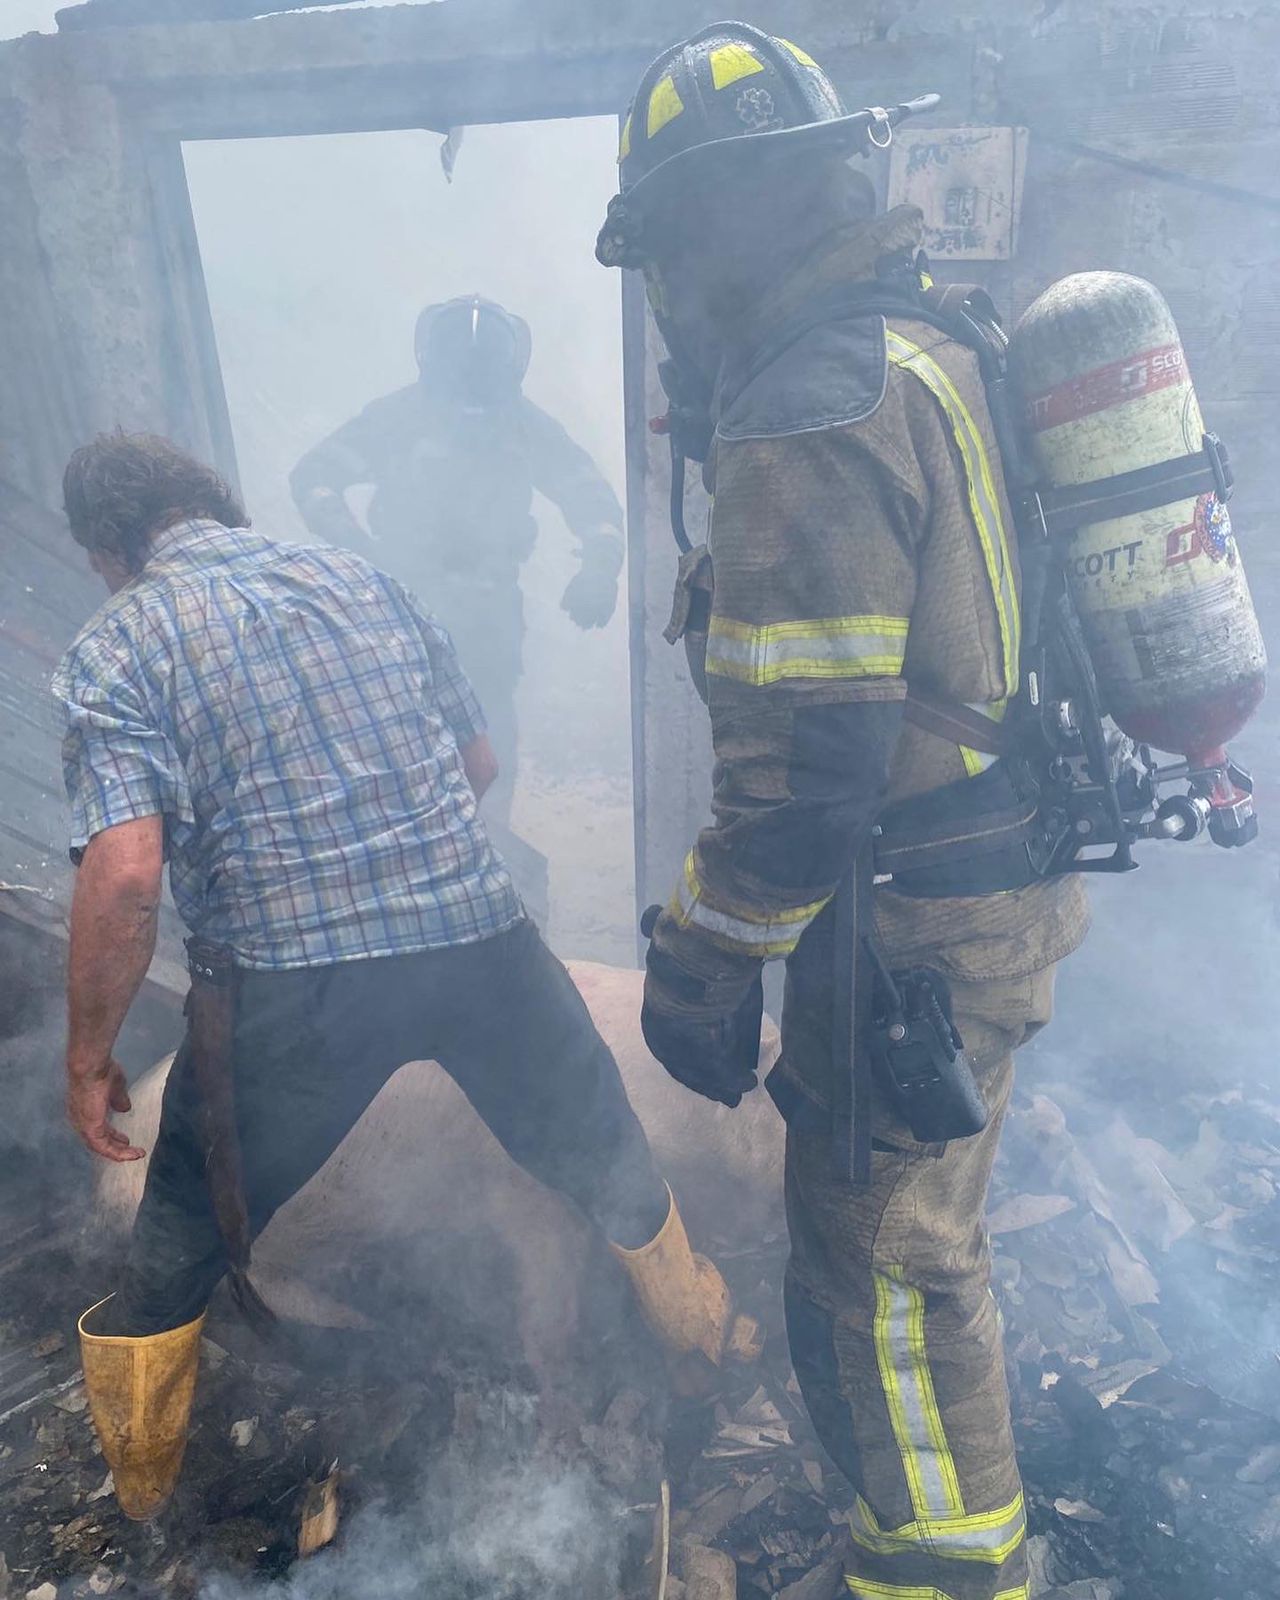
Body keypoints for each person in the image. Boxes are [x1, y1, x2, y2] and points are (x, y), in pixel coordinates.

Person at [598, 24, 1090, 1600]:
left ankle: (942, 1577)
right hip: (979, 881)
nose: (668, 294)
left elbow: (807, 764)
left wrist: (703, 957)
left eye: (669, 250)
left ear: (719, 225)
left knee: (886, 1267)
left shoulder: (811, 403)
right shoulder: (930, 340)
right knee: (916, 1239)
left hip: (914, 923)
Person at [53, 432, 756, 1523]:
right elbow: (476, 764)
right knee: (612, 1163)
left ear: (108, 549)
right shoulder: (360, 579)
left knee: (176, 1240)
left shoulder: (117, 643)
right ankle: (702, 1340)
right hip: (482, 948)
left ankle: (141, 1498)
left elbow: (128, 871)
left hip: (292, 992)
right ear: (220, 504)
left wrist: (89, 1054)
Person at [290, 294, 624, 823]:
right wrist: (361, 555)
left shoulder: (519, 424)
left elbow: (592, 499)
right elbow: (314, 477)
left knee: (488, 738)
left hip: (483, 618)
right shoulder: (399, 417)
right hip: (399, 608)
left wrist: (601, 568)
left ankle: (484, 836)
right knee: (397, 732)